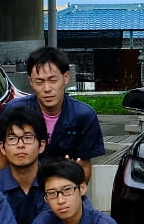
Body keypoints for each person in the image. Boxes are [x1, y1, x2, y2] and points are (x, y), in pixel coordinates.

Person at [18, 46, 106, 183]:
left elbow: (85, 165)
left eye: (53, 80)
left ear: (66, 78)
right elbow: (1, 163)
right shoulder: (16, 112)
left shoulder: (84, 115)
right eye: (39, 82)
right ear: (30, 81)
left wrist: (76, 193)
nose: (47, 89)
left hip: (64, 190)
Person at [0, 104, 49, 224]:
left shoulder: (57, 183)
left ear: (41, 145)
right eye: (13, 139)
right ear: (2, 147)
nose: (20, 145)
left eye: (27, 137)